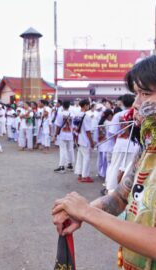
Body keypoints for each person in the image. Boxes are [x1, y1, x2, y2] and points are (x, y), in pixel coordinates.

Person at [52, 55, 156, 269]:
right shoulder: (149, 147)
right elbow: (120, 196)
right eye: (136, 94)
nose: (136, 104)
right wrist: (79, 212)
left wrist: (88, 213)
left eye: (146, 94)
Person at [73, 99, 94, 183]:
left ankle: (79, 174)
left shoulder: (77, 115)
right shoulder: (86, 116)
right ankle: (85, 176)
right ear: (85, 105)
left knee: (80, 157)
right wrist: (92, 142)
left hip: (78, 139)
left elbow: (74, 128)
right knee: (86, 158)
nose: (88, 107)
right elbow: (88, 131)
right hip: (85, 140)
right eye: (88, 105)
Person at [54, 100, 74, 173]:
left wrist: (55, 134)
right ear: (69, 106)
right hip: (70, 133)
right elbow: (74, 125)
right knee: (70, 149)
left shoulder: (60, 113)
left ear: (62, 106)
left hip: (63, 133)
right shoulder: (72, 114)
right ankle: (70, 165)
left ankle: (62, 166)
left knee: (63, 150)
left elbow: (58, 125)